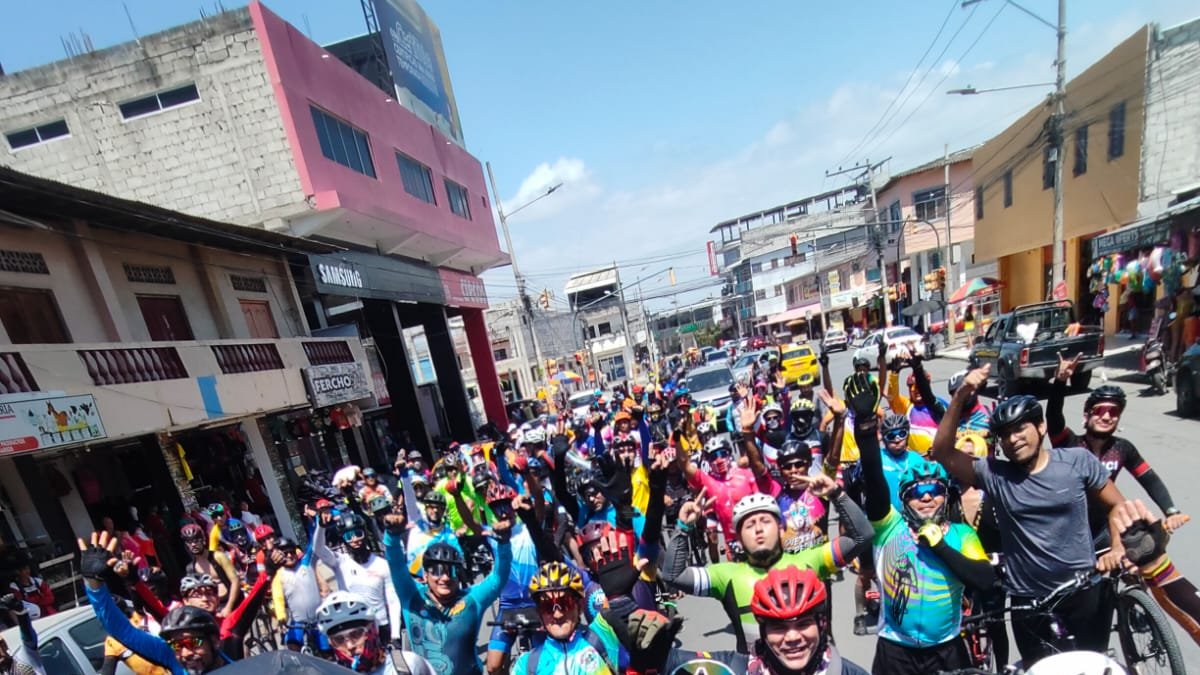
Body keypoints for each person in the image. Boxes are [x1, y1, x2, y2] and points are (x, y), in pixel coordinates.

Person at [930, 364, 1129, 664]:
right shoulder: (994, 474)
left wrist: (1116, 547)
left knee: (1092, 666)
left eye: (1020, 428)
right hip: (1028, 603)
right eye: (1005, 434)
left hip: (1083, 591)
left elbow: (1117, 506)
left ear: (1040, 427)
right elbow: (943, 452)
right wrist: (961, 396)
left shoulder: (1076, 461)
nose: (1013, 439)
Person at [845, 371, 994, 674]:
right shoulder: (889, 528)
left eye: (934, 492)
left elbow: (985, 580)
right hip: (895, 650)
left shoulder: (962, 534)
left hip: (947, 648)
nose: (926, 498)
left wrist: (940, 547)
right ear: (906, 500)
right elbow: (873, 481)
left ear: (945, 496)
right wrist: (864, 427)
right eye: (917, 493)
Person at [663, 489, 870, 653]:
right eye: (750, 525)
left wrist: (836, 494)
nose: (758, 529)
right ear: (739, 538)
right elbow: (674, 576)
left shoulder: (810, 561)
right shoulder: (726, 576)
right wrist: (684, 527)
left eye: (765, 521)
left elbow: (862, 536)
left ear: (781, 529)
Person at [1048, 355, 1190, 544]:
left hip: (1104, 529)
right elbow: (1053, 416)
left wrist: (1171, 512)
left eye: (1113, 412)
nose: (1106, 417)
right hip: (1066, 531)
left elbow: (1149, 479)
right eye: (1099, 411)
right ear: (1086, 415)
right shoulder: (1069, 443)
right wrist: (1060, 381)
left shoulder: (1122, 448)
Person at [636, 566, 869, 675]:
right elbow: (668, 662)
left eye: (803, 623)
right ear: (762, 631)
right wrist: (621, 604)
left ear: (822, 624)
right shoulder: (734, 669)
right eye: (778, 626)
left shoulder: (850, 673)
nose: (792, 637)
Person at [381, 501, 513, 674]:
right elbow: (397, 565)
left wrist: (504, 543)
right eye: (436, 570)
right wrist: (392, 535)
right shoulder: (411, 596)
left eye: (451, 570)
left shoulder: (472, 599)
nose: (444, 577)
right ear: (425, 576)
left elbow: (498, 578)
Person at [81, 531, 233, 674]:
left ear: (214, 641)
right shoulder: (171, 657)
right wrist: (94, 583)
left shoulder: (243, 663)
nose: (185, 653)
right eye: (177, 645)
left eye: (192, 642)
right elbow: (121, 630)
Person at [511, 562, 621, 674]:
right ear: (539, 613)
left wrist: (620, 593)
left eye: (565, 603)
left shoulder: (602, 634)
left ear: (579, 606)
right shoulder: (526, 665)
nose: (557, 615)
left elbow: (621, 608)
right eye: (547, 606)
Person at [313, 512, 401, 644]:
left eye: (358, 534)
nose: (355, 540)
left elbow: (393, 601)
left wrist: (395, 635)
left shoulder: (382, 564)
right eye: (349, 536)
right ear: (343, 540)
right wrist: (321, 526)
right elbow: (318, 549)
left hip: (381, 627)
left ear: (365, 534)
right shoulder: (339, 562)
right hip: (353, 629)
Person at [315, 591, 434, 675]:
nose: (350, 646)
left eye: (356, 635)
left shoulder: (408, 664)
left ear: (373, 630)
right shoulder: (329, 672)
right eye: (339, 640)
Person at [270, 537, 327, 654]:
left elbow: (315, 540)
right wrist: (281, 619)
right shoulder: (278, 576)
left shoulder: (306, 562)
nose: (290, 555)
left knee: (328, 654)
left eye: (292, 551)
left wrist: (316, 522)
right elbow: (278, 599)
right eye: (285, 554)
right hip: (299, 623)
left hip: (319, 619)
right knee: (292, 647)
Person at [179, 523, 240, 618]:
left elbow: (235, 580)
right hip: (211, 607)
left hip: (232, 601)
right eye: (189, 542)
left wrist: (229, 606)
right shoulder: (191, 567)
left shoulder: (218, 556)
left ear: (203, 540)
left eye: (196, 540)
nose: (193, 544)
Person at [0, 593, 45, 675]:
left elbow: (29, 638)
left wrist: (21, 614)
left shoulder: (22, 658)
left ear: (5, 645)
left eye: (1, 645)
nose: (0, 653)